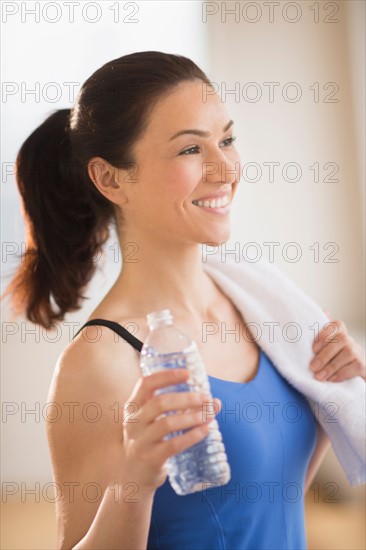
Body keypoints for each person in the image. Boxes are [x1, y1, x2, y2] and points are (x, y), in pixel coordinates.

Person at [3, 51, 365, 549]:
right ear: (110, 179)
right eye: (190, 149)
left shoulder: (264, 311)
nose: (225, 168)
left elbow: (260, 511)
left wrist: (330, 387)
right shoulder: (99, 364)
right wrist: (135, 481)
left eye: (227, 139)